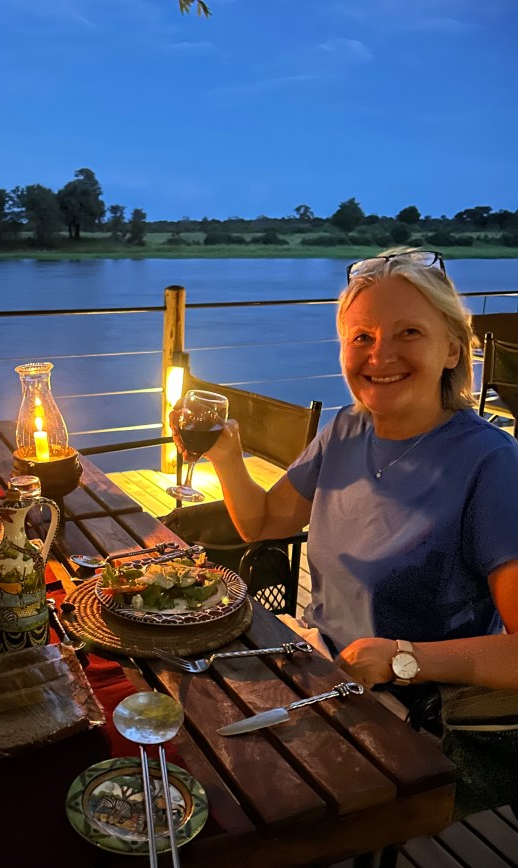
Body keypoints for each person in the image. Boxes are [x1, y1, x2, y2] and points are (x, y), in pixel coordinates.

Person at [193, 249, 518, 816]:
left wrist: (402, 658)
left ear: (451, 349)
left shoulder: (491, 463)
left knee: (241, 805)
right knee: (187, 736)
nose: (380, 355)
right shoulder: (345, 428)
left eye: (409, 332)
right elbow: (264, 522)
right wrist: (226, 455)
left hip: (416, 715)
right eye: (361, 336)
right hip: (319, 668)